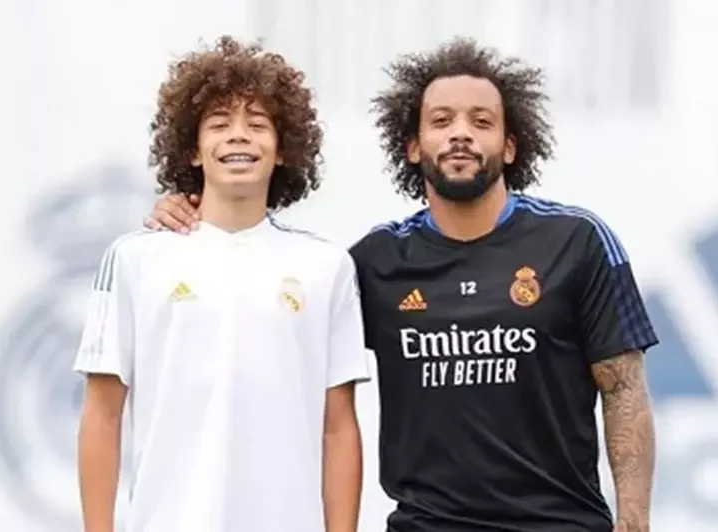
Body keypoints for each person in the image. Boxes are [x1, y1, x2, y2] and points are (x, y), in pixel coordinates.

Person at [144, 37, 658, 532]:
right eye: (441, 121)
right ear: (412, 147)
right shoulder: (375, 261)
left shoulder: (576, 241)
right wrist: (197, 216)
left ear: (510, 146)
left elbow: (624, 389)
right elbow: (276, 313)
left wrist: (633, 520)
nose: (461, 134)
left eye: (481, 122)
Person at [75, 36, 369, 532]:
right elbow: (102, 414)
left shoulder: (327, 266)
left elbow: (338, 427)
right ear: (193, 149)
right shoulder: (134, 259)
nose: (238, 137)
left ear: (283, 150)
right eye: (219, 124)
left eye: (257, 124)